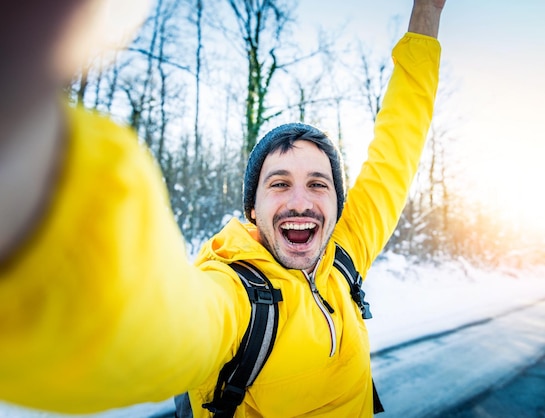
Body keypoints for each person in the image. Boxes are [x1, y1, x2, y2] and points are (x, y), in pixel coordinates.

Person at [0, 0, 445, 416]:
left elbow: (399, 144)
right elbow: (155, 331)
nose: (300, 202)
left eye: (317, 183)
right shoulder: (236, 296)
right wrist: (29, 221)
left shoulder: (345, 252)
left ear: (336, 202)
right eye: (279, 183)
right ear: (252, 208)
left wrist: (426, 12)